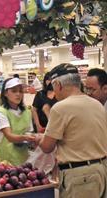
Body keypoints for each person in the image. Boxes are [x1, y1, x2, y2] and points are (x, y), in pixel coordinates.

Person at [37, 63, 107, 198]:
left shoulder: (60, 108)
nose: (53, 92)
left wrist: (39, 139)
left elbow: (47, 147)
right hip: (101, 170)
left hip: (79, 177)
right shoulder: (97, 104)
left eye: (53, 87)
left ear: (58, 84)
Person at [0, 78, 36, 165]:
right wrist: (26, 138)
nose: (18, 94)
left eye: (20, 91)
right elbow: (9, 136)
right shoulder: (1, 113)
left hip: (23, 157)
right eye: (14, 91)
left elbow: (29, 132)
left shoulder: (27, 112)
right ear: (5, 93)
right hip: (6, 161)